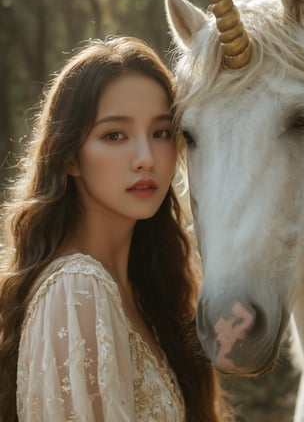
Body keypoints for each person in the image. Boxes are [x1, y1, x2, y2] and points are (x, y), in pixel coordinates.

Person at [0, 36, 228, 421]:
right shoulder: (76, 289)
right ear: (70, 156)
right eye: (115, 135)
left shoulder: (147, 290)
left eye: (160, 133)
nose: (145, 159)